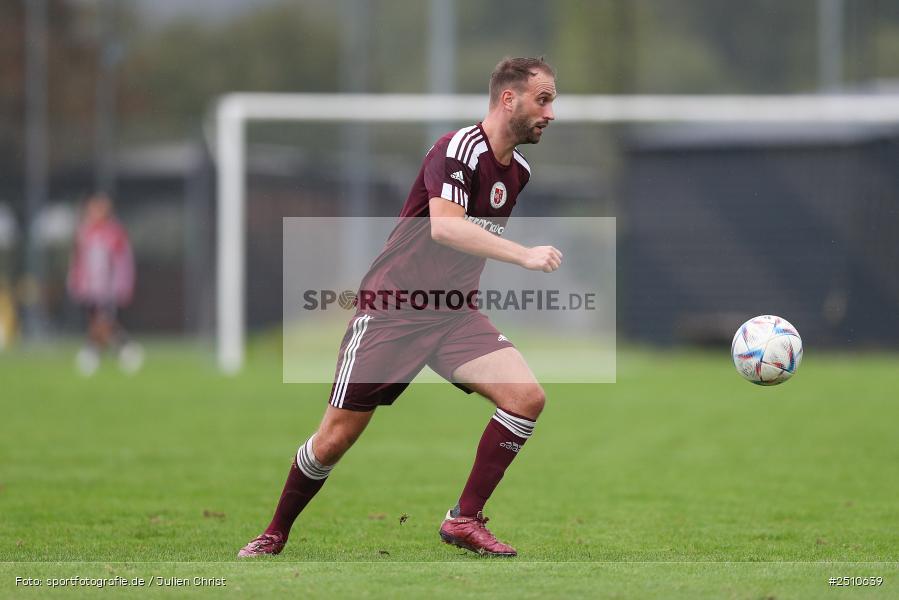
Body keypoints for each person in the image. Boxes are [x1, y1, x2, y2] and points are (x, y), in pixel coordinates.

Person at [239, 57, 560, 558]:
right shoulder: (455, 150)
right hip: (394, 311)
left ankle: (464, 520)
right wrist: (524, 255)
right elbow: (445, 227)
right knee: (334, 438)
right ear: (508, 99)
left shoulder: (517, 172)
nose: (551, 112)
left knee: (526, 398)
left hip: (454, 315)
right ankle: (274, 532)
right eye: (543, 99)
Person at [67, 193, 142, 375]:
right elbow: (78, 260)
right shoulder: (84, 232)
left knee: (103, 321)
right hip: (88, 287)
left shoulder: (114, 233)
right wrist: (74, 281)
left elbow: (124, 262)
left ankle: (96, 354)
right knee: (97, 321)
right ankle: (121, 349)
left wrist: (123, 285)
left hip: (107, 288)